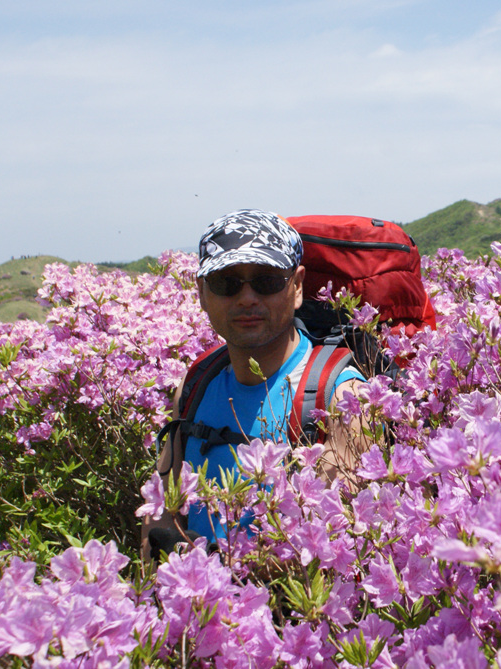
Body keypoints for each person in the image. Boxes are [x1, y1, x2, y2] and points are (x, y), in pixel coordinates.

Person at [141, 209, 366, 559]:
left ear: (297, 286)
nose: (247, 298)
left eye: (266, 280)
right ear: (202, 292)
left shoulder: (339, 396)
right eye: (226, 283)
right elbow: (160, 519)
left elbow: (340, 546)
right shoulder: (195, 383)